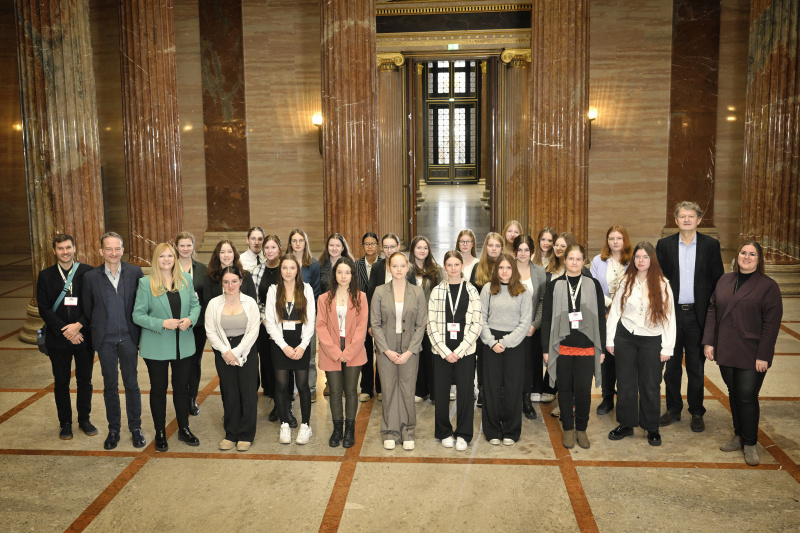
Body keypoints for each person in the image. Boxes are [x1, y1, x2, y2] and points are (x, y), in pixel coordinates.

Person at [702, 241, 782, 466]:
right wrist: (709, 341)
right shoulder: (725, 280)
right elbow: (712, 310)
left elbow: (771, 324)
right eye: (743, 252)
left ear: (759, 259)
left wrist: (763, 355)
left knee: (747, 396)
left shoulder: (768, 286)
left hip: (752, 351)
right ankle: (738, 435)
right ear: (737, 256)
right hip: (726, 348)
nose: (746, 257)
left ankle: (750, 443)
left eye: (752, 254)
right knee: (734, 393)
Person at [656, 201, 724, 432]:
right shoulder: (664, 245)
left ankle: (696, 411)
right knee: (672, 367)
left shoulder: (710, 245)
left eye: (691, 216)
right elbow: (658, 281)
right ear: (676, 221)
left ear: (698, 220)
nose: (686, 219)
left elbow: (718, 282)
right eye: (682, 216)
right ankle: (673, 409)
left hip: (698, 317)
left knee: (696, 368)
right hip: (672, 317)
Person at [132, 243, 201, 451]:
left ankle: (184, 428)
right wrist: (162, 323)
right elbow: (138, 315)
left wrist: (190, 319)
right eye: (162, 256)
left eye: (170, 255)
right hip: (157, 346)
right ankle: (160, 432)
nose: (166, 259)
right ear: (156, 259)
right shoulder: (146, 283)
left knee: (182, 389)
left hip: (183, 344)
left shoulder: (186, 280)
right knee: (159, 389)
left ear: (175, 258)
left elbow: (196, 305)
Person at [606, 242, 675, 447]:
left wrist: (667, 347)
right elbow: (616, 312)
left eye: (645, 257)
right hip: (626, 337)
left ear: (652, 259)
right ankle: (626, 424)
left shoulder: (662, 283)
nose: (641, 260)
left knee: (650, 384)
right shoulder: (626, 280)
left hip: (652, 339)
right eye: (637, 257)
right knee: (625, 383)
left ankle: (651, 427)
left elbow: (669, 318)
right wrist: (610, 339)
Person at [82, 232, 145, 450]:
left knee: (132, 384)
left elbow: (141, 303)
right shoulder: (91, 277)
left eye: (117, 248)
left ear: (123, 250)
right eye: (108, 249)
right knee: (110, 386)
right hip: (105, 340)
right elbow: (88, 310)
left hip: (128, 337)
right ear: (101, 252)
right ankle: (114, 430)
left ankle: (136, 428)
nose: (113, 253)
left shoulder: (135, 273)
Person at [542, 244, 605, 450]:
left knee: (583, 390)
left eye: (578, 259)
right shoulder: (555, 285)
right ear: (565, 260)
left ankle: (581, 429)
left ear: (584, 261)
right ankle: (568, 428)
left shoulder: (593, 284)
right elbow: (547, 319)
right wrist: (545, 349)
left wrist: (601, 348)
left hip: (587, 345)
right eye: (571, 259)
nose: (574, 263)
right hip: (562, 346)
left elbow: (600, 320)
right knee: (565, 389)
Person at [37, 234, 96, 440]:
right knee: (61, 381)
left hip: (84, 336)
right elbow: (44, 308)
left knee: (85, 381)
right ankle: (65, 423)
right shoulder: (45, 275)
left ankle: (84, 420)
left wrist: (79, 326)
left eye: (68, 247)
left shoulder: (88, 272)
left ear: (74, 248)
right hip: (58, 338)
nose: (65, 252)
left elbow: (93, 304)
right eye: (60, 248)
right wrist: (66, 330)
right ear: (54, 251)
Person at [371, 252, 427, 451]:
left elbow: (421, 325)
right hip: (386, 349)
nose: (399, 269)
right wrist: (386, 350)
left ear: (407, 268)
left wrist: (410, 351)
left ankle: (408, 431)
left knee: (407, 391)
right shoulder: (379, 292)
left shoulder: (417, 292)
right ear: (388, 268)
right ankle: (389, 432)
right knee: (388, 391)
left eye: (402, 266)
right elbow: (375, 324)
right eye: (394, 266)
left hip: (410, 350)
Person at [428, 251, 482, 451]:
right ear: (444, 267)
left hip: (465, 351)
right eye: (449, 264)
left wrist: (460, 350)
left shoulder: (471, 291)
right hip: (441, 351)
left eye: (456, 264)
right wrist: (444, 351)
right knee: (441, 393)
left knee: (466, 393)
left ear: (462, 266)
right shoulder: (437, 291)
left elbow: (477, 324)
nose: (453, 268)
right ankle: (444, 431)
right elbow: (431, 324)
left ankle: (464, 434)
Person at [205, 266, 261, 451]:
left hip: (246, 350)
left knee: (247, 392)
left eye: (234, 281)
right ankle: (231, 433)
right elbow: (211, 331)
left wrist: (237, 352)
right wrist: (225, 352)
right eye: (226, 282)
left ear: (240, 281)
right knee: (229, 393)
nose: (231, 285)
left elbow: (254, 330)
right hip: (224, 352)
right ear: (222, 283)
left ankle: (246, 434)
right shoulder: (214, 304)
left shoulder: (250, 302)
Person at [480, 253, 532, 445]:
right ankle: (492, 430)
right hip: (490, 343)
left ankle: (511, 430)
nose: (504, 271)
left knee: (513, 388)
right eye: (501, 268)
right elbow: (481, 318)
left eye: (508, 268)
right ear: (496, 270)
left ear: (514, 269)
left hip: (515, 344)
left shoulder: (522, 291)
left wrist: (507, 342)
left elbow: (525, 322)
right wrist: (492, 342)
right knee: (492, 387)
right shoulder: (488, 289)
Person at [264, 255, 316, 444]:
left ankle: (306, 426)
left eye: (292, 268)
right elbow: (270, 322)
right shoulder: (273, 290)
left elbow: (311, 321)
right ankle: (284, 424)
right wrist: (284, 346)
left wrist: (302, 346)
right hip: (280, 342)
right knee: (281, 385)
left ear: (297, 270)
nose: (288, 271)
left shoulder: (307, 289)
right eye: (284, 268)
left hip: (301, 340)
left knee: (303, 385)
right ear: (280, 270)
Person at [317, 257, 368, 448]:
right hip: (331, 348)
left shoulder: (360, 297)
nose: (343, 276)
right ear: (334, 274)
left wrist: (349, 350)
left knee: (351, 391)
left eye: (347, 272)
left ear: (352, 275)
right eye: (340, 272)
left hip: (353, 349)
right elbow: (320, 326)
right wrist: (334, 351)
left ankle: (349, 429)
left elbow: (362, 326)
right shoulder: (324, 298)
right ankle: (337, 428)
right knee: (335, 392)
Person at [590, 225, 633, 416]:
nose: (615, 242)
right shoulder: (598, 261)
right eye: (611, 238)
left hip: (628, 316)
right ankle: (607, 397)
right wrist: (608, 306)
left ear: (625, 240)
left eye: (619, 238)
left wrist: (620, 308)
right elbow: (591, 287)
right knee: (606, 358)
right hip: (605, 314)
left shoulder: (633, 261)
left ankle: (624, 397)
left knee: (624, 357)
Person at [252, 235, 294, 423]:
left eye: (273, 247)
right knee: (269, 363)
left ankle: (286, 402)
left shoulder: (286, 268)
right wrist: (264, 319)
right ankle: (276, 400)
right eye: (266, 248)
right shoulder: (257, 271)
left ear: (280, 248)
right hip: (263, 326)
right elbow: (255, 301)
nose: (269, 251)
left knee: (286, 363)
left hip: (286, 325)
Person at [365, 232, 402, 400]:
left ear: (398, 247)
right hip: (381, 318)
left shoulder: (404, 265)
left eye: (392, 246)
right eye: (385, 247)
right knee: (381, 351)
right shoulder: (378, 267)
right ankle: (380, 388)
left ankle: (399, 387)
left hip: (401, 317)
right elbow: (371, 295)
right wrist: (372, 323)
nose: (388, 250)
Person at [514, 235, 546, 419]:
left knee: (527, 365)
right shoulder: (507, 268)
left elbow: (542, 302)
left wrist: (534, 325)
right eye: (520, 249)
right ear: (515, 251)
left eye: (526, 250)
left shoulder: (540, 272)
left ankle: (526, 400)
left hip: (531, 328)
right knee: (512, 364)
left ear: (532, 251)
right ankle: (511, 397)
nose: (523, 253)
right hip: (510, 327)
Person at [174, 231, 206, 417]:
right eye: (182, 245)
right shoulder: (170, 267)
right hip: (176, 323)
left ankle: (191, 398)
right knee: (179, 361)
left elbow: (206, 296)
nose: (186, 249)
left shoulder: (202, 269)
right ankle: (180, 396)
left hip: (198, 324)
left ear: (193, 246)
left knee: (195, 361)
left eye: (189, 245)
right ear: (176, 247)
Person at [470, 232, 504, 408]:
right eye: (491, 245)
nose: (494, 249)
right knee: (482, 357)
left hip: (502, 320)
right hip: (482, 321)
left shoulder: (506, 266)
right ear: (486, 247)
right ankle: (482, 390)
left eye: (497, 246)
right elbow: (472, 296)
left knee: (499, 356)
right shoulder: (478, 268)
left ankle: (499, 390)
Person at [408, 235, 443, 404]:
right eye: (418, 247)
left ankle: (436, 391)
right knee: (417, 355)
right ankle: (421, 390)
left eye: (425, 248)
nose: (422, 251)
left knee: (432, 356)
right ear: (413, 250)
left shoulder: (436, 271)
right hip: (413, 321)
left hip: (432, 321)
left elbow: (443, 296)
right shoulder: (407, 270)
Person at [286, 228, 320, 400]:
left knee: (309, 353)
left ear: (305, 243)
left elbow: (316, 292)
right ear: (290, 243)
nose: (298, 244)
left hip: (307, 315)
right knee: (290, 352)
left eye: (301, 240)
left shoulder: (312, 264)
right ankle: (291, 389)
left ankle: (311, 388)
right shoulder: (284, 263)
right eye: (294, 240)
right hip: (286, 316)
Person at [356, 232, 383, 402]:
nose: (370, 247)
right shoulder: (356, 265)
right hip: (362, 314)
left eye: (373, 243)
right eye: (367, 244)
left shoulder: (384, 264)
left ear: (378, 245)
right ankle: (366, 388)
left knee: (381, 351)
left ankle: (380, 388)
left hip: (381, 313)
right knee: (364, 351)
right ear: (363, 246)